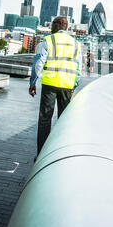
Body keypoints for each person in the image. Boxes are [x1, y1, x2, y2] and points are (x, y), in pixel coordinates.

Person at [29, 16, 82, 160]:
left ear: (59, 25)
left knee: (45, 119)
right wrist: (73, 86)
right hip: (67, 86)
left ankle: (41, 156)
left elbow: (39, 63)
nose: (51, 26)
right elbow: (79, 69)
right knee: (63, 122)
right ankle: (58, 156)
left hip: (50, 84)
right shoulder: (76, 44)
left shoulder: (47, 40)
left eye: (52, 23)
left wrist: (32, 82)